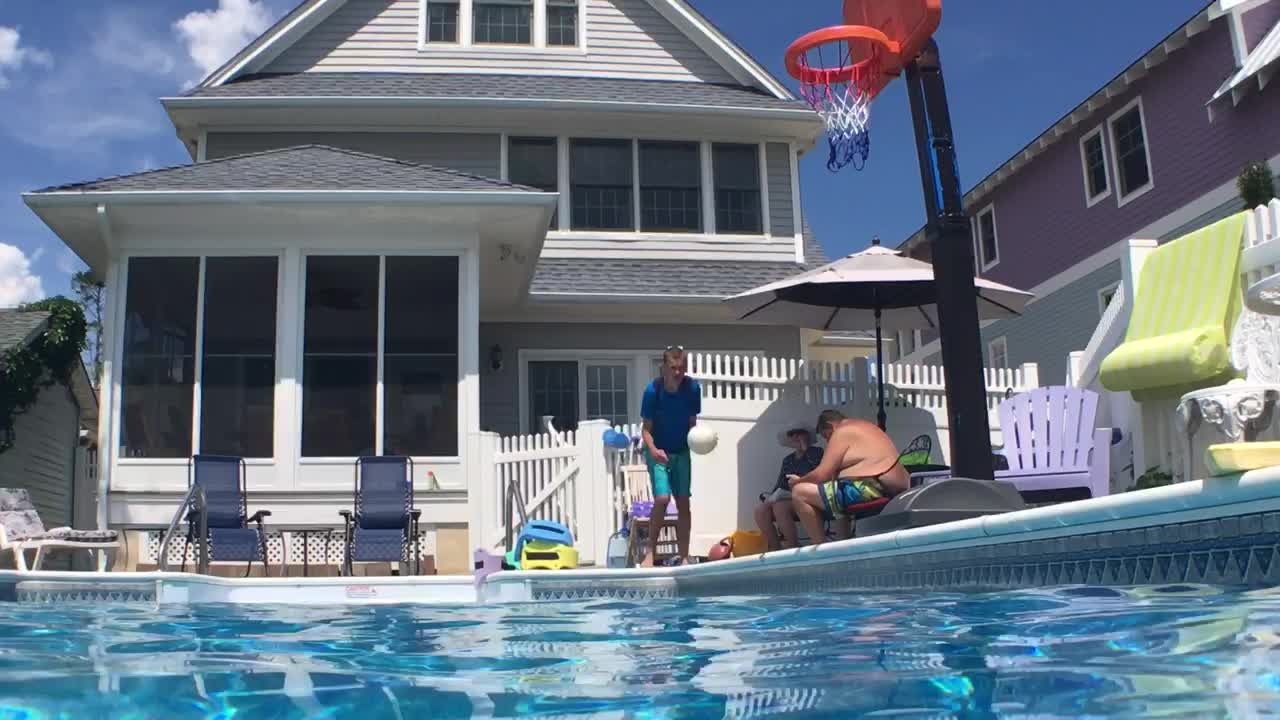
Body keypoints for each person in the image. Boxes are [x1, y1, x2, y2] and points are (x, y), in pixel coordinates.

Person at [787, 409, 910, 545]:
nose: (828, 441)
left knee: (800, 492)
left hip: (872, 488)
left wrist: (798, 481)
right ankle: (842, 542)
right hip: (891, 487)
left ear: (830, 426)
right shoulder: (864, 427)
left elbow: (822, 474)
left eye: (826, 436)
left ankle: (819, 548)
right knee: (834, 490)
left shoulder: (841, 432)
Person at [639, 346, 702, 566]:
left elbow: (692, 423)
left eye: (682, 368)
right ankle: (650, 552)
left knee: (683, 503)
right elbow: (645, 430)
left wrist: (697, 441)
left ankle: (684, 556)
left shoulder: (692, 388)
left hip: (681, 451)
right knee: (663, 499)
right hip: (658, 450)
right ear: (664, 367)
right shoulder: (652, 391)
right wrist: (654, 451)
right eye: (673, 368)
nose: (678, 372)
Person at [755, 426, 824, 551]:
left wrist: (805, 449)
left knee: (780, 507)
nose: (796, 437)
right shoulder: (788, 460)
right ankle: (774, 547)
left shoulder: (817, 452)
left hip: (811, 496)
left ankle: (792, 545)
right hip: (789, 496)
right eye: (793, 434)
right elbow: (781, 483)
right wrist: (771, 498)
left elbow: (820, 473)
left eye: (800, 434)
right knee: (760, 510)